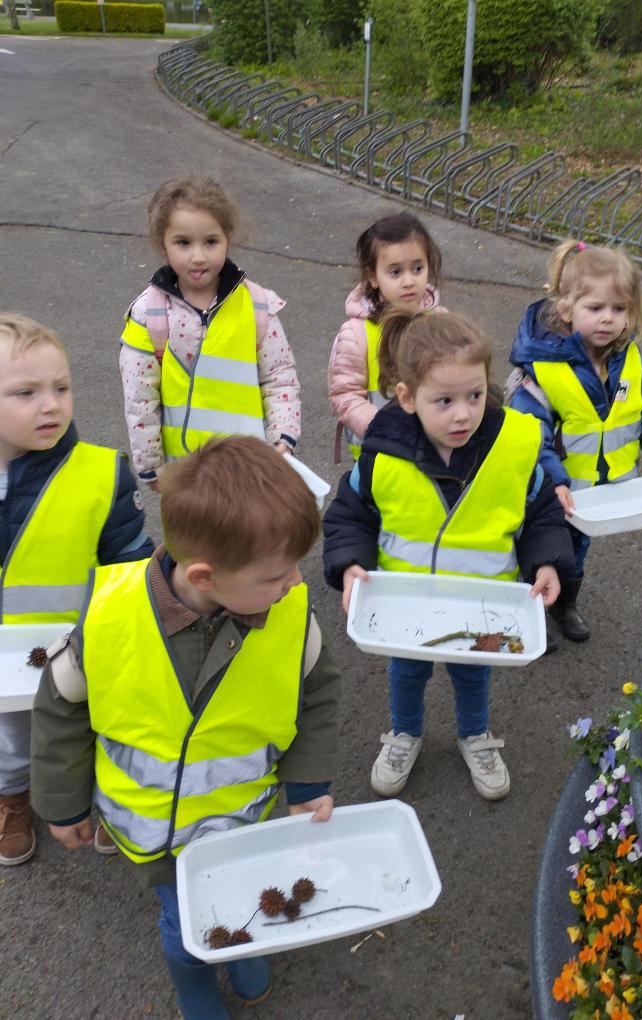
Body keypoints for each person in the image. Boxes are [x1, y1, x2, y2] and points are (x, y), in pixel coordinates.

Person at [30, 436, 340, 1020]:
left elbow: (318, 694)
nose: (296, 583)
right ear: (203, 576)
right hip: (155, 837)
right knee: (186, 924)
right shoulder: (109, 615)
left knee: (241, 891)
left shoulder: (291, 616)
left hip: (240, 819)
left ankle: (241, 945)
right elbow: (61, 706)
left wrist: (307, 783)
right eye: (276, 574)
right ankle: (193, 978)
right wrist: (61, 803)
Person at [323, 310, 574, 801]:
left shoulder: (514, 447)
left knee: (473, 673)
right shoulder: (382, 452)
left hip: (482, 603)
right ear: (406, 397)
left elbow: (542, 510)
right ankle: (405, 734)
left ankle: (475, 736)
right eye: (444, 401)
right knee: (407, 672)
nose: (462, 414)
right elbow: (350, 514)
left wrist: (546, 561)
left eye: (474, 396)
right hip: (404, 602)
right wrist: (351, 563)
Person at [0, 313, 152, 867]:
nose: (51, 405)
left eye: (61, 388)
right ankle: (12, 797)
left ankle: (107, 797)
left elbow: (131, 562)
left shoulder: (101, 473)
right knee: (10, 739)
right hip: (4, 664)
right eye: (26, 393)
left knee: (97, 726)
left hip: (82, 647)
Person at [508, 239, 642, 643]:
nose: (607, 319)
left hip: (594, 493)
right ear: (567, 308)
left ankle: (565, 604)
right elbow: (529, 433)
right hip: (546, 491)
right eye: (595, 308)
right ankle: (530, 611)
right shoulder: (544, 369)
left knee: (577, 549)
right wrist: (552, 479)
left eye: (619, 309)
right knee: (538, 548)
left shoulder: (628, 361)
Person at [119, 175, 301, 487]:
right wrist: (150, 466)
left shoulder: (257, 305)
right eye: (183, 243)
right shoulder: (148, 314)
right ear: (162, 243)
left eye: (211, 242)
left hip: (251, 473)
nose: (199, 256)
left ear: (228, 238)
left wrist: (282, 438)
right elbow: (140, 398)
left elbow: (279, 376)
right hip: (185, 478)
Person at [328, 211, 443, 460]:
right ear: (373, 276)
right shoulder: (356, 334)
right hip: (377, 455)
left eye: (417, 268)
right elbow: (345, 396)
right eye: (395, 272)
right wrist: (383, 426)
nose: (409, 281)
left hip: (433, 453)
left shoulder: (442, 324)